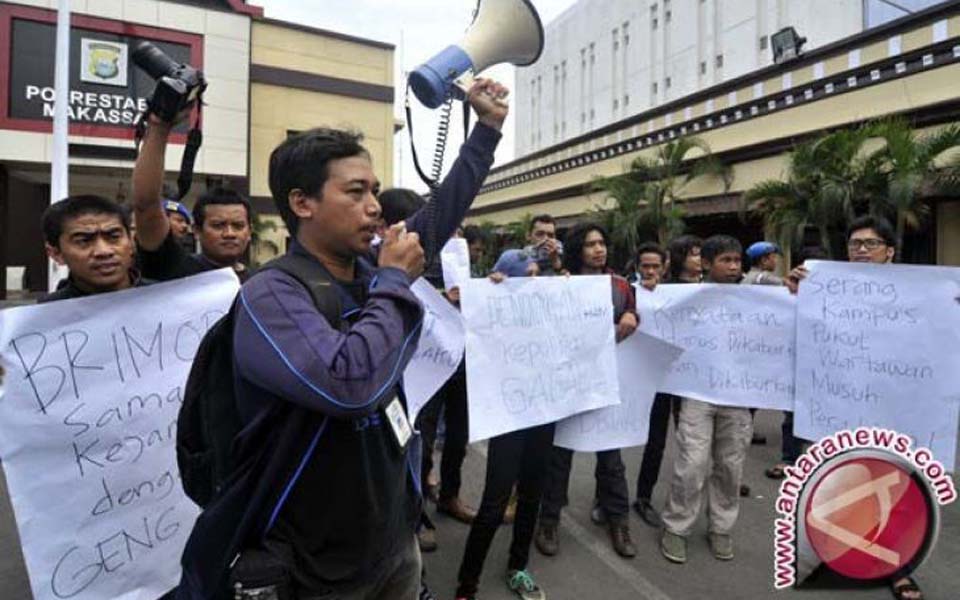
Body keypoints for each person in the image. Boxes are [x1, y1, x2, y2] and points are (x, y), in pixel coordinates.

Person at [175, 77, 509, 600]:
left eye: (374, 190)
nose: (375, 206)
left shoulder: (368, 268)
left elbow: (442, 214)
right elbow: (347, 386)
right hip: (314, 565)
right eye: (356, 192)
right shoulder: (272, 295)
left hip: (391, 538)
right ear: (302, 203)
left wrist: (487, 128)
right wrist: (395, 283)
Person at [785, 216, 921, 600]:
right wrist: (795, 294)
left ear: (890, 252)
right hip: (837, 404)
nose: (861, 249)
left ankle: (900, 568)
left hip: (893, 408)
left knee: (893, 489)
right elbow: (799, 333)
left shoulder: (918, 293)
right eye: (855, 243)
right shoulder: (825, 286)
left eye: (871, 243)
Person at [456, 217, 565, 600]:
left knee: (532, 494)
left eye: (537, 274)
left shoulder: (553, 300)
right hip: (507, 414)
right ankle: (467, 583)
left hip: (543, 410)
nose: (532, 280)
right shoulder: (497, 298)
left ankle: (518, 567)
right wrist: (492, 290)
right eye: (524, 275)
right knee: (495, 500)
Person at [534, 224, 638, 560]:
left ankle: (619, 520)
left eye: (602, 242)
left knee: (611, 459)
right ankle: (548, 521)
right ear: (578, 250)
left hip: (605, 386)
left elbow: (634, 313)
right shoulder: (562, 284)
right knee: (559, 458)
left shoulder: (621, 286)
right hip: (567, 384)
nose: (599, 249)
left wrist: (632, 315)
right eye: (591, 244)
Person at [659, 235, 753, 565]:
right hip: (697, 395)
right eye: (726, 261)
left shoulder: (758, 299)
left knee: (730, 465)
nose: (733, 267)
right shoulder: (688, 298)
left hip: (738, 396)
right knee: (692, 463)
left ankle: (721, 528)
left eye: (737, 261)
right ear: (707, 264)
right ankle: (676, 526)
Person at [132, 110, 253, 282]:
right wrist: (159, 126)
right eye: (218, 225)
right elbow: (146, 205)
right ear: (196, 230)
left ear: (249, 232)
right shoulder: (175, 267)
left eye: (238, 226)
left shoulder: (263, 284)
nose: (229, 234)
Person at [628, 242, 678, 527]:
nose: (650, 271)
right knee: (612, 441)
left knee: (656, 443)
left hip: (663, 382)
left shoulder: (677, 295)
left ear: (665, 266)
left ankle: (643, 498)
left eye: (655, 266)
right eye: (645, 266)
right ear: (637, 267)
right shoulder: (626, 292)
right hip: (630, 378)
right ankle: (604, 498)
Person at [40, 195, 145, 303]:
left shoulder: (160, 298)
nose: (104, 251)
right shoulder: (48, 313)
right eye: (83, 241)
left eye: (114, 237)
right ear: (56, 253)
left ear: (132, 243)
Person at [493, 215, 563, 277]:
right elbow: (491, 281)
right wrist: (498, 277)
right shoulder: (510, 257)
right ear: (528, 236)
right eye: (540, 234)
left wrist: (554, 259)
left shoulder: (561, 257)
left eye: (550, 235)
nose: (546, 239)